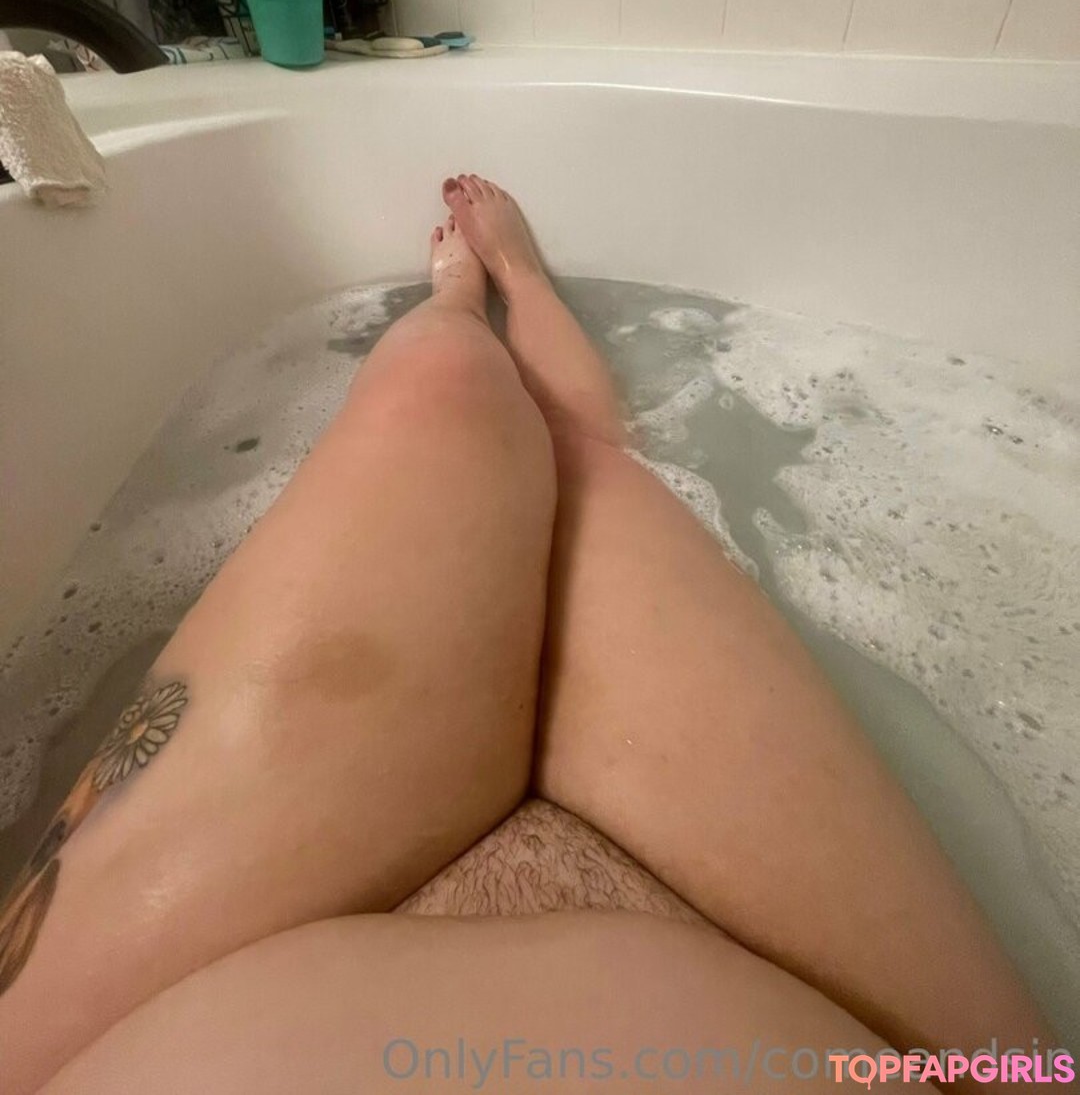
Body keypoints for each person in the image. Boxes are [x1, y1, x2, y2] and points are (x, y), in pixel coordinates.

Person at [0, 177, 1053, 1094]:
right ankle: (510, 305)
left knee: (445, 390)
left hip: (102, 1035)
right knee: (571, 459)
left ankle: (461, 305)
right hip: (925, 1063)